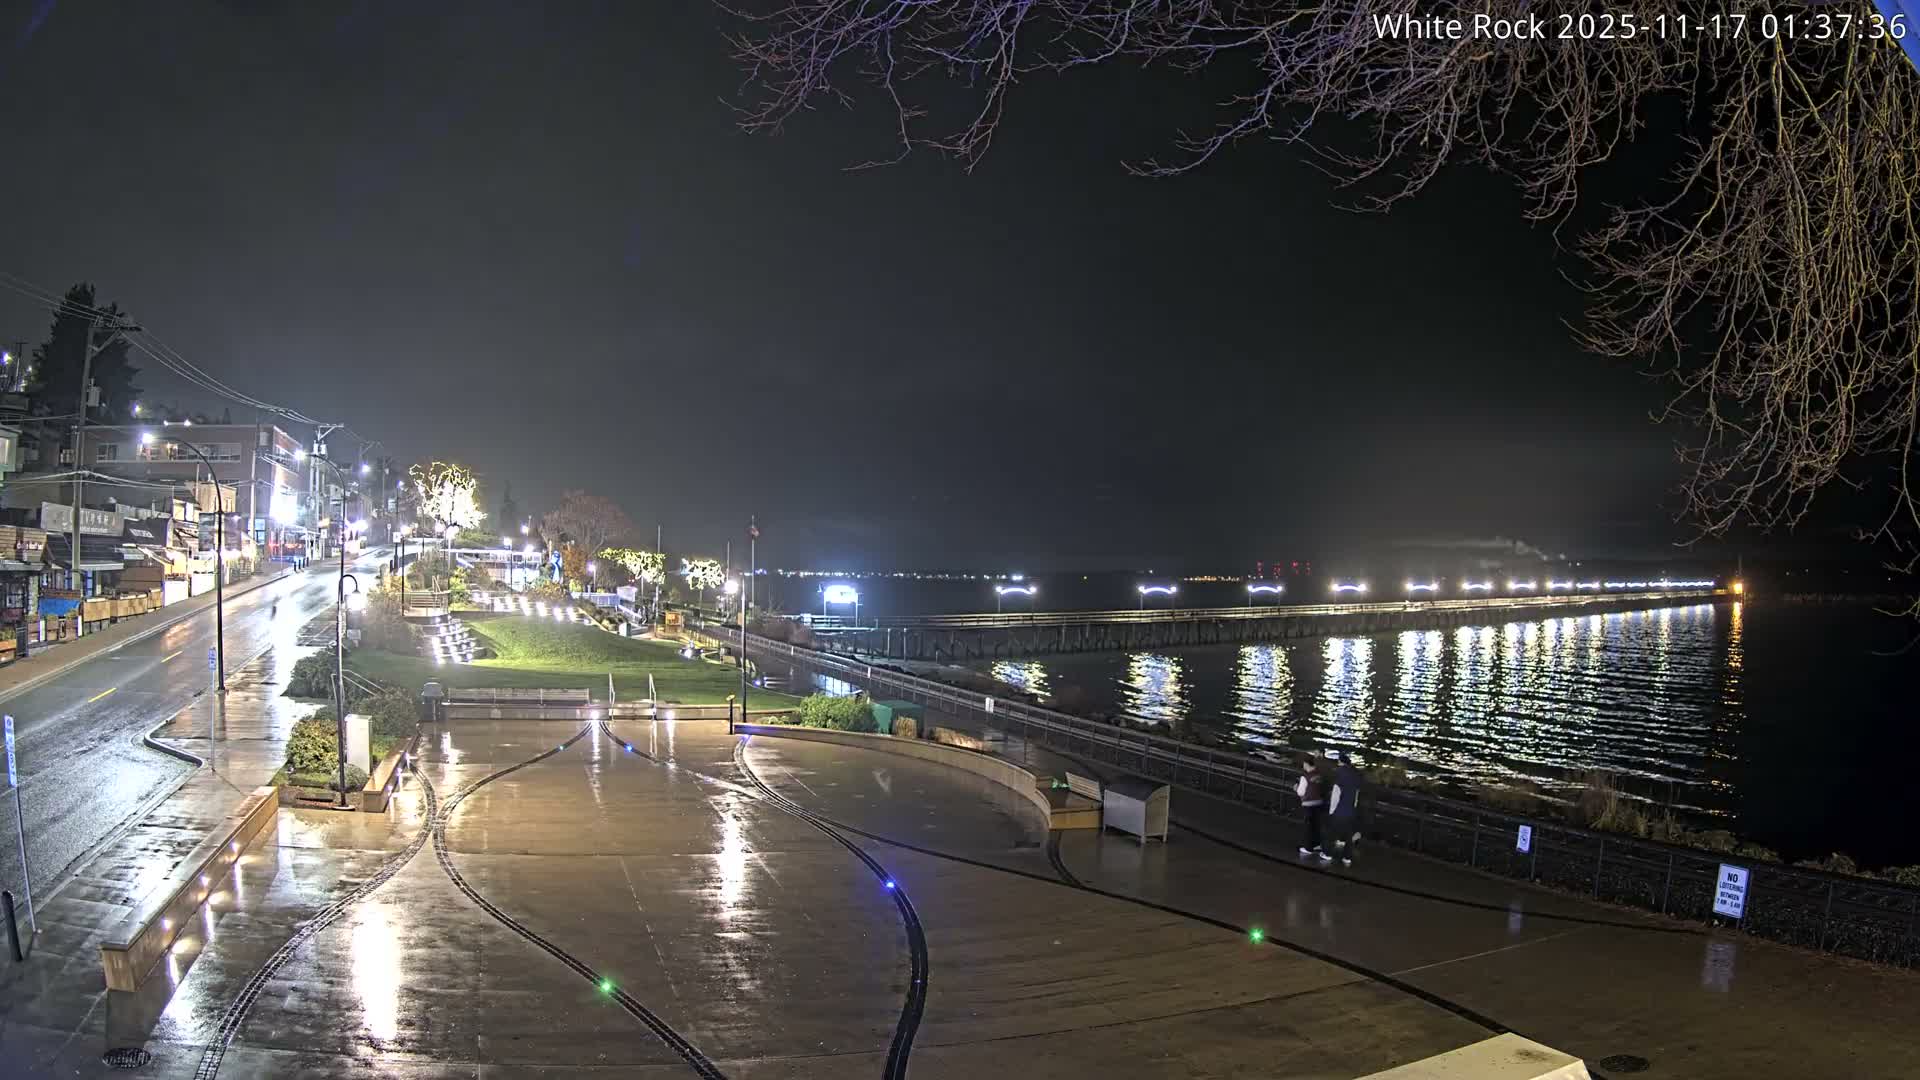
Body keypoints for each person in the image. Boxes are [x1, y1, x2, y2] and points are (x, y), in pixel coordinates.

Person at [1327, 751, 1365, 867]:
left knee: (1331, 833)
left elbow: (1335, 795)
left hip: (1339, 810)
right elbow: (1356, 796)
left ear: (1339, 761)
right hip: (1350, 810)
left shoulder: (1339, 774)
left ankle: (1327, 854)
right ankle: (1347, 857)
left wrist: (1331, 811)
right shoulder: (1356, 775)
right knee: (1348, 835)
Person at [1295, 756, 1331, 860]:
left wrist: (1296, 788)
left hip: (1308, 804)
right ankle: (1317, 845)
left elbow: (1301, 792)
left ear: (1306, 764)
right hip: (1319, 803)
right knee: (1316, 825)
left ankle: (1308, 848)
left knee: (1308, 827)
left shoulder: (1305, 776)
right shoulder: (1319, 774)